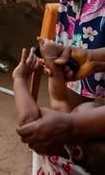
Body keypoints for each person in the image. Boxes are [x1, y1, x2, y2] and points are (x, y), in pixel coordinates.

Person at [15, 41, 105, 173]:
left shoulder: (58, 149)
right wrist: (52, 63)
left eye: (75, 113)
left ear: (77, 151)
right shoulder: (75, 151)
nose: (68, 113)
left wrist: (19, 78)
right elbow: (60, 101)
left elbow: (29, 122)